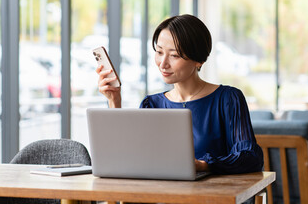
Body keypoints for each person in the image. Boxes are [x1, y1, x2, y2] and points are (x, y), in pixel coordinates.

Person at [96, 14, 263, 174]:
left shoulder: (228, 99)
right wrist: (114, 101)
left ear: (199, 60)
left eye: (174, 55)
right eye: (159, 52)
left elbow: (250, 157)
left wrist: (203, 165)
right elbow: (131, 158)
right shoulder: (151, 104)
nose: (162, 64)